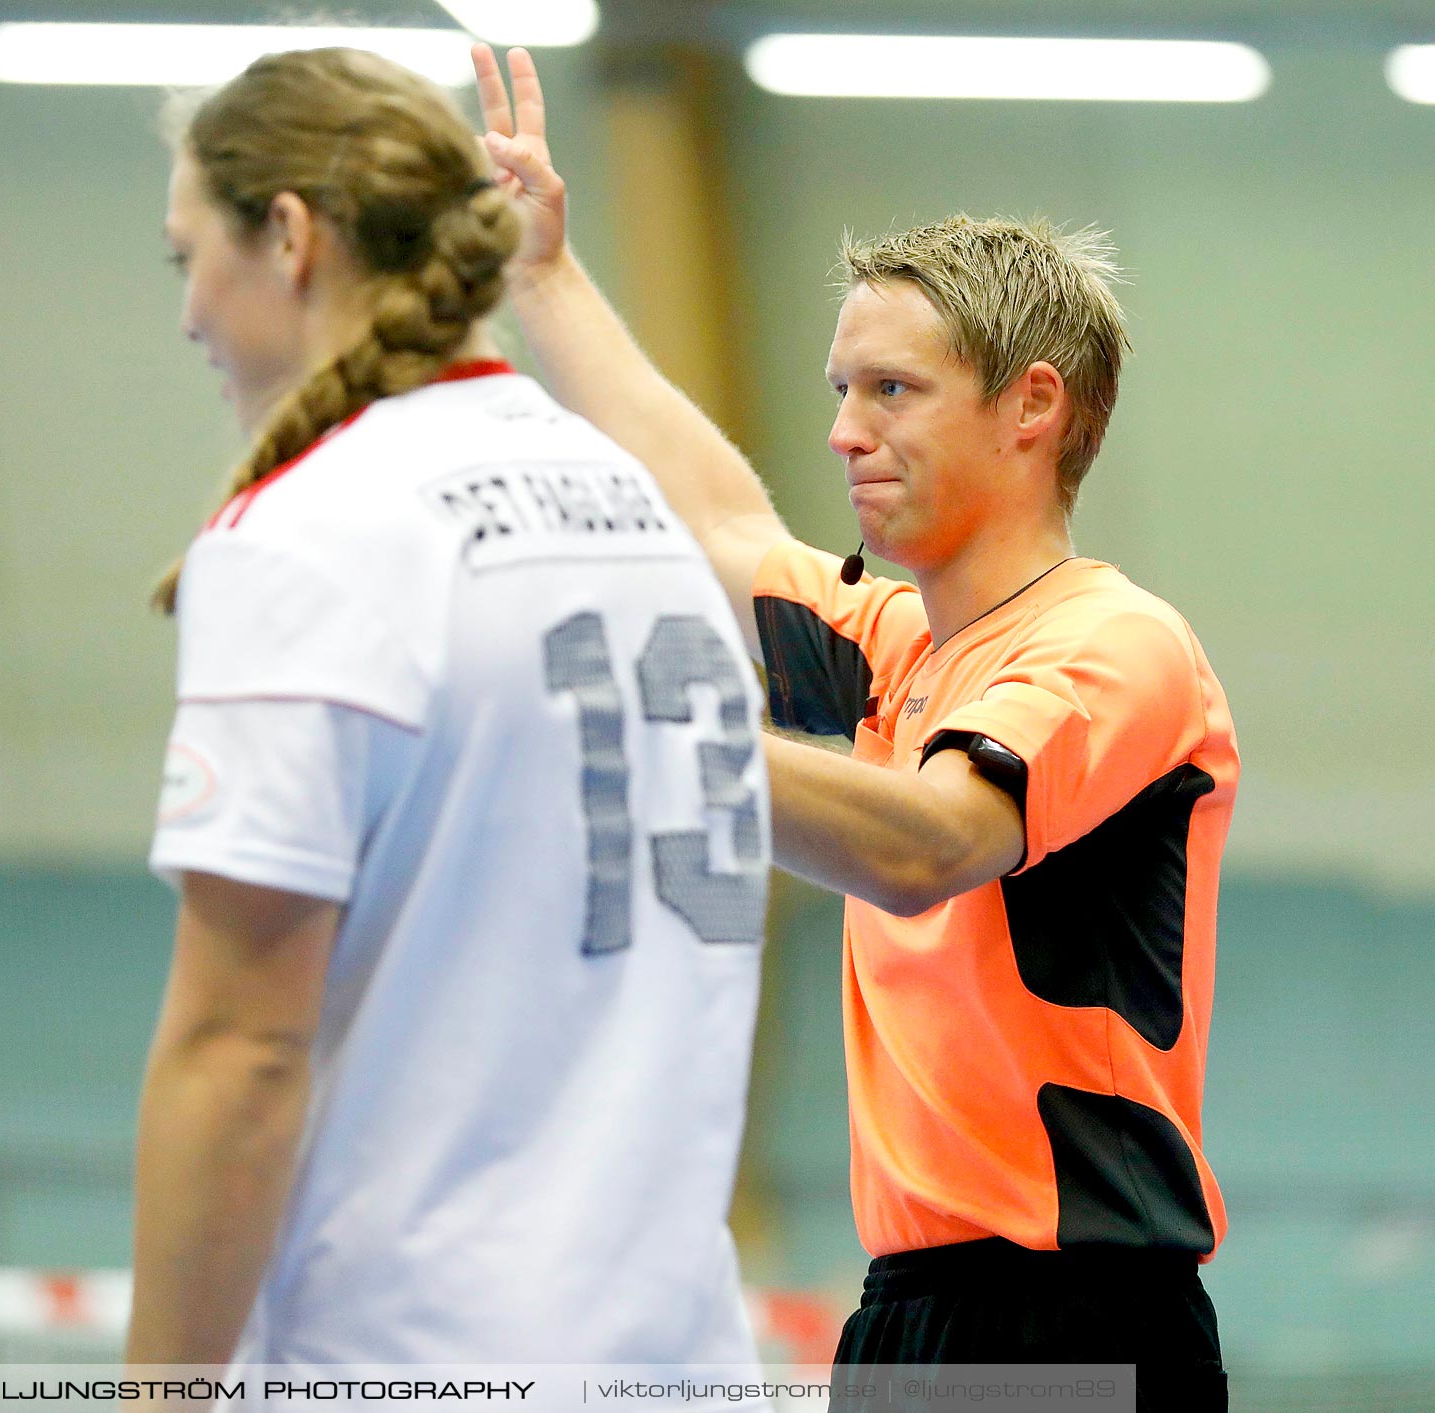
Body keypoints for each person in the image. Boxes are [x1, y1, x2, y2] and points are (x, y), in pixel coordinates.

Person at [475, 45, 1235, 1409]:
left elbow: (930, 842)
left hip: (1072, 1316)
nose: (841, 430)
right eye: (839, 390)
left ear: (1033, 407)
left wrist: (655, 733)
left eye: (891, 390)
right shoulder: (902, 655)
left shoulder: (1116, 646)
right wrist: (543, 273)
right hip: (914, 1312)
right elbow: (718, 523)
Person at [125, 47, 772, 1377]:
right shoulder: (632, 506)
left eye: (187, 253)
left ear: (290, 237)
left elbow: (239, 1047)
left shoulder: (312, 533)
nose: (188, 311)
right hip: (681, 1356)